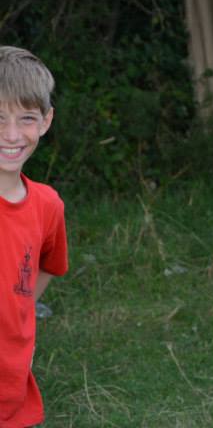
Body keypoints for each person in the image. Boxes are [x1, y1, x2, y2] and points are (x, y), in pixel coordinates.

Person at [0, 46, 68, 427]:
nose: (11, 135)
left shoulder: (47, 205)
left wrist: (17, 308)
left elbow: (46, 267)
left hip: (11, 391)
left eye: (25, 118)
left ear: (45, 121)